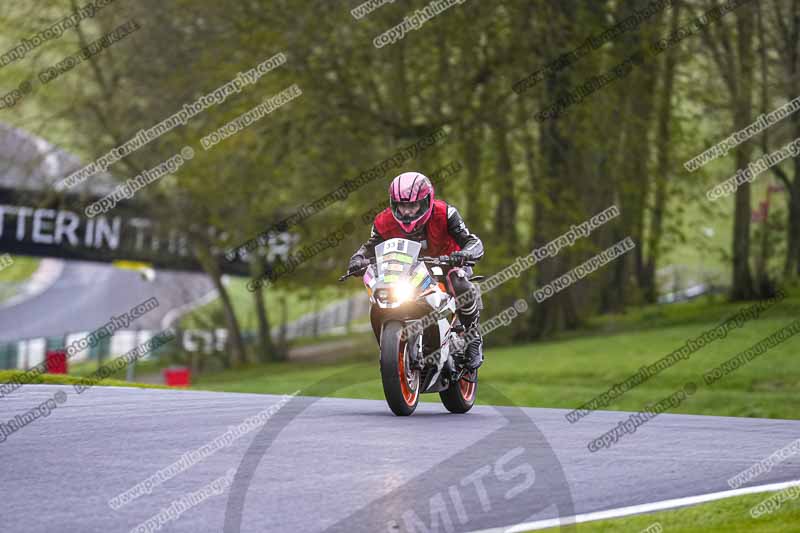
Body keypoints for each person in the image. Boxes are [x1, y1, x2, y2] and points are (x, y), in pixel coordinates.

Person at [348, 171, 485, 369]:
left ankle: (473, 338)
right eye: (402, 206)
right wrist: (358, 259)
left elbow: (473, 241)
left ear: (426, 201)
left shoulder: (446, 213)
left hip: (447, 265)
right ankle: (394, 350)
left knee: (458, 280)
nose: (407, 212)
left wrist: (463, 254)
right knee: (382, 289)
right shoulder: (383, 221)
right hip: (407, 271)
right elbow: (369, 246)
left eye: (412, 205)